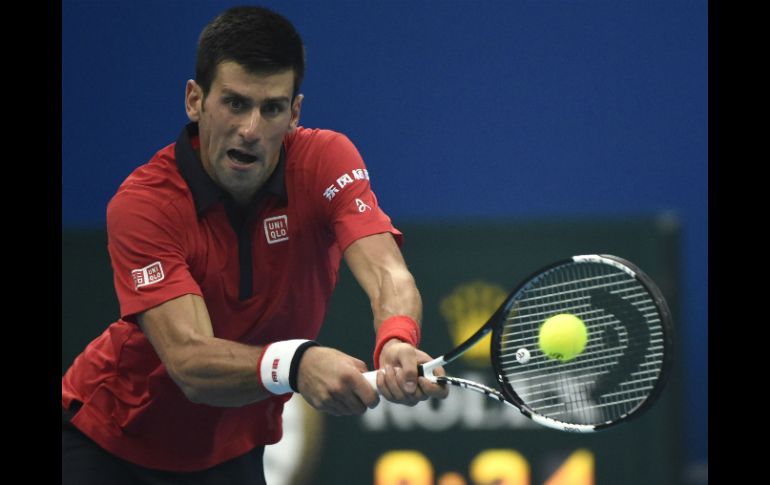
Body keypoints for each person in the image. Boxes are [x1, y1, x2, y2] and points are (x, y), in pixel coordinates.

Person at [61, 5, 448, 484]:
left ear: (295, 113)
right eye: (235, 103)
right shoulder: (145, 204)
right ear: (194, 100)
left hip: (232, 451)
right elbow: (190, 362)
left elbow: (388, 272)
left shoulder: (326, 160)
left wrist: (396, 338)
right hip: (107, 445)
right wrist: (299, 363)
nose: (250, 129)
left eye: (271, 108)